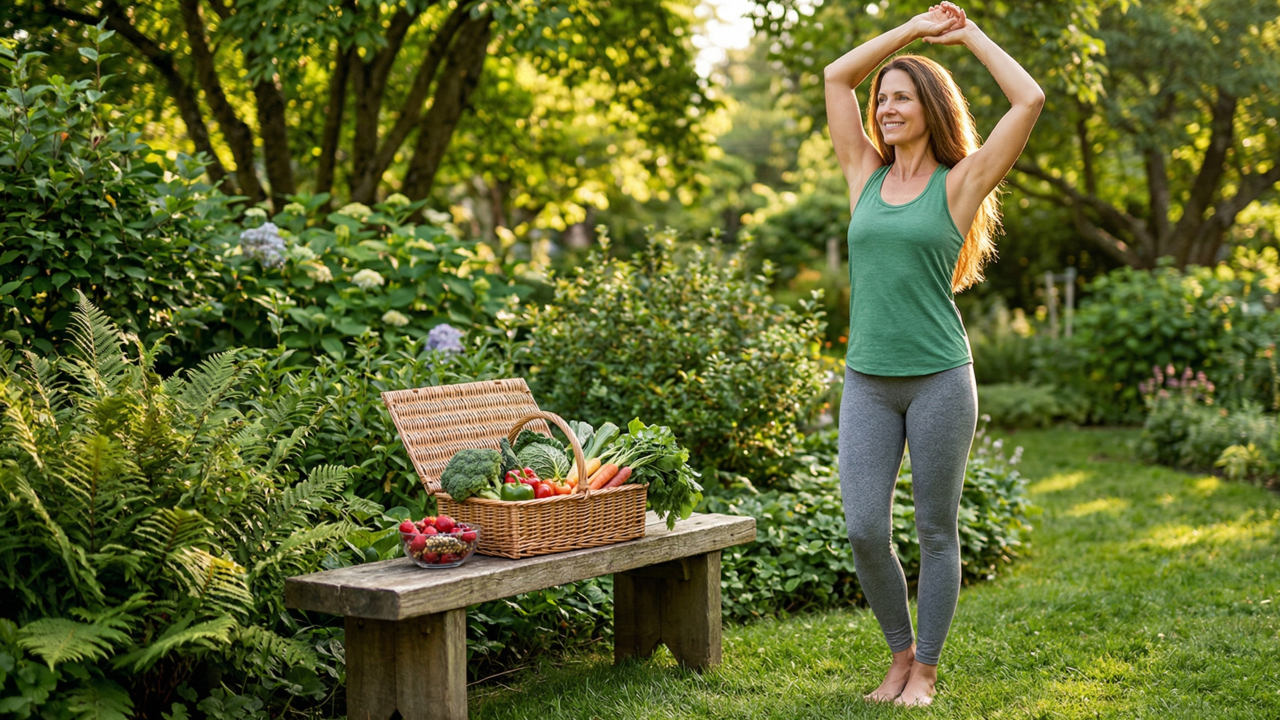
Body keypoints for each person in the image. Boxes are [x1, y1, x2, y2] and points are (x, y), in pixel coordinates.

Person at [823, 2, 1043, 707]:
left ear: (929, 107)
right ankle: (899, 652)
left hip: (942, 380)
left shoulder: (962, 181)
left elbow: (1029, 98)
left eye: (900, 96)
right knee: (863, 527)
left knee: (934, 530)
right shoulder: (864, 172)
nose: (884, 108)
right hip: (867, 380)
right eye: (881, 97)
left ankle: (928, 668)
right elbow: (834, 77)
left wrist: (966, 34)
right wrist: (910, 31)